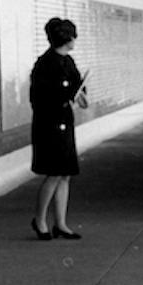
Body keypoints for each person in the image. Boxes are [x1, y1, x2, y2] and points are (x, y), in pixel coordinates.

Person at [30, 17, 88, 241]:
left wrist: (82, 96)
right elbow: (39, 99)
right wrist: (66, 97)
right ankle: (40, 219)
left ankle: (61, 223)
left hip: (65, 121)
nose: (75, 40)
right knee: (54, 174)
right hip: (49, 124)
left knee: (65, 174)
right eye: (72, 36)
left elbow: (76, 85)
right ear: (66, 38)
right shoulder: (44, 64)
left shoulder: (68, 61)